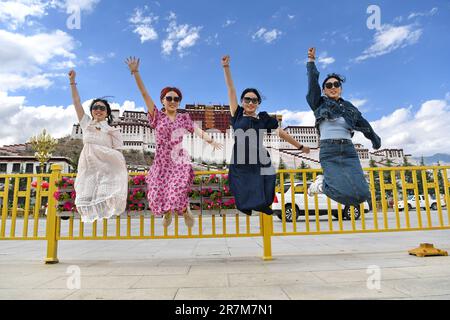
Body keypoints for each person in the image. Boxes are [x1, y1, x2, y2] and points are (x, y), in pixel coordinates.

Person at [125, 57, 223, 228]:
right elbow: (144, 94)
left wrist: (211, 140)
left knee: (177, 189)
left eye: (176, 99)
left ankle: (185, 210)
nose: (172, 101)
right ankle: (167, 212)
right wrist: (136, 73)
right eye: (169, 98)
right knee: (155, 192)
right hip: (161, 161)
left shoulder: (184, 118)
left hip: (178, 160)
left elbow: (197, 130)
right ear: (162, 100)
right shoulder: (157, 117)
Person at [221, 55, 310, 216]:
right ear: (242, 101)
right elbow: (231, 90)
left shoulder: (263, 118)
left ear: (258, 103)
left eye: (254, 101)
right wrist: (226, 68)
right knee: (240, 182)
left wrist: (300, 146)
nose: (250, 103)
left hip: (260, 155)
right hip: (241, 156)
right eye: (247, 99)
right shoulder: (237, 114)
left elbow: (281, 133)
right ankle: (245, 206)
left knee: (268, 177)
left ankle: (262, 204)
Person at [305, 47, 381, 207]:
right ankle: (320, 185)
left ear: (340, 87)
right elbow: (312, 86)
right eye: (329, 85)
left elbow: (363, 123)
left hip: (348, 151)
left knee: (362, 195)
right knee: (338, 191)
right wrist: (311, 62)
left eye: (336, 84)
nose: (333, 87)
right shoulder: (318, 103)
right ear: (324, 90)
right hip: (329, 151)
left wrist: (374, 139)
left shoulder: (349, 107)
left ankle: (324, 183)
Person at [68, 70, 128, 223]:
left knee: (106, 190)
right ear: (91, 111)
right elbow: (76, 102)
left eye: (102, 108)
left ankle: (110, 210)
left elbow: (118, 153)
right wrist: (73, 82)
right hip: (88, 164)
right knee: (86, 189)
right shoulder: (86, 123)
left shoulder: (112, 130)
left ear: (107, 112)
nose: (98, 110)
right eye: (95, 107)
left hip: (106, 164)